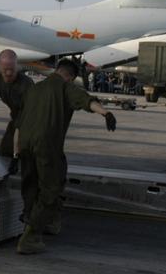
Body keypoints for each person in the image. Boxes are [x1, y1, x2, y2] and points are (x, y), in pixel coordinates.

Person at [13, 59, 117, 255]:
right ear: (71, 76)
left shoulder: (34, 89)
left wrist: (15, 151)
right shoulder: (64, 87)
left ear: (57, 70)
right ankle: (31, 237)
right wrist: (106, 113)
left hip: (25, 144)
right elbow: (87, 101)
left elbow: (18, 123)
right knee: (51, 189)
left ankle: (43, 222)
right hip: (47, 145)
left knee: (31, 186)